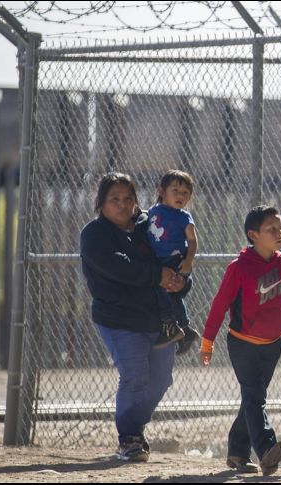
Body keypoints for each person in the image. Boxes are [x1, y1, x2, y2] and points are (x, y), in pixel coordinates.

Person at [79, 172, 186, 462]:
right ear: (101, 202)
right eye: (114, 199)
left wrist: (179, 279)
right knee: (135, 377)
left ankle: (134, 427)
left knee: (161, 379)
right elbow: (119, 267)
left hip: (156, 319)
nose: (122, 205)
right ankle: (129, 437)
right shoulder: (94, 234)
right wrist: (158, 276)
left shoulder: (147, 226)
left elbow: (171, 255)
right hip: (118, 319)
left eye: (128, 199)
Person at [199, 205, 281, 476]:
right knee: (255, 397)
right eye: (271, 229)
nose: (278, 232)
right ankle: (266, 450)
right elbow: (219, 306)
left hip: (273, 343)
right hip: (243, 344)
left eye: (280, 227)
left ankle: (238, 452)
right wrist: (207, 342)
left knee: (253, 398)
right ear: (253, 234)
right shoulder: (238, 268)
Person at [147, 169, 201, 353]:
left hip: (176, 260)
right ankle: (185, 329)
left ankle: (170, 325)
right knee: (168, 294)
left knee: (166, 289)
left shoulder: (184, 217)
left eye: (185, 193)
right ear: (162, 191)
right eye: (175, 191)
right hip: (158, 262)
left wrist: (188, 261)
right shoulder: (152, 212)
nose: (180, 196)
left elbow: (192, 241)